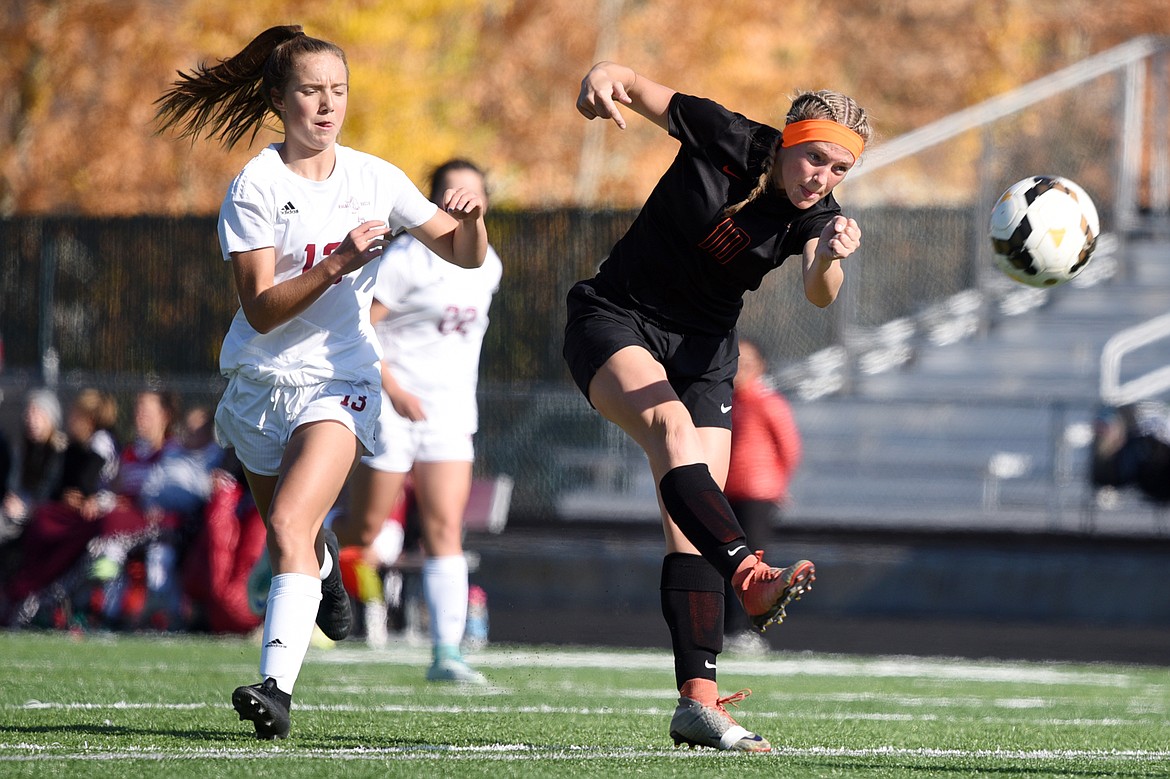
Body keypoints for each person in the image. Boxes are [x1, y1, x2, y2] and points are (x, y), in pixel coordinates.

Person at [154, 25, 488, 740]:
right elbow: (261, 309)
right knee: (296, 539)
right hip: (260, 380)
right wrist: (337, 263)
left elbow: (462, 253)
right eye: (310, 90)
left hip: (341, 376)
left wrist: (475, 224)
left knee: (285, 524)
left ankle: (276, 688)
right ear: (278, 98)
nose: (327, 104)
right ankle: (327, 567)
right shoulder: (256, 186)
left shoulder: (376, 177)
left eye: (338, 90)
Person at [565, 61, 870, 752]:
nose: (821, 176)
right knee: (672, 430)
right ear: (789, 139)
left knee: (691, 521)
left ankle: (698, 703)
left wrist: (827, 254)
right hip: (616, 316)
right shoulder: (726, 133)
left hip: (705, 352)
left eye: (839, 169)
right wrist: (602, 78)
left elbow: (822, 291)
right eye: (815, 156)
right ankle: (749, 576)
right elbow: (635, 85)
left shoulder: (817, 217)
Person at [333, 159, 502, 682]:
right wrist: (396, 389)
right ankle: (290, 545)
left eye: (475, 193)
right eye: (454, 193)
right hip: (393, 407)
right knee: (366, 528)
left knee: (444, 529)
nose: (465, 201)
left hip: (451, 413)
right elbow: (360, 328)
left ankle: (446, 654)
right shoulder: (406, 259)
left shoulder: (488, 263)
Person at [721, 338, 802, 654]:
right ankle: (728, 630)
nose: (739, 368)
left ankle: (746, 632)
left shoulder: (767, 402)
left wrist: (777, 485)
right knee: (726, 565)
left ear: (761, 366)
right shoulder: (726, 401)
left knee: (750, 565)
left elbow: (789, 448)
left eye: (746, 361)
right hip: (725, 492)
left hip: (757, 494)